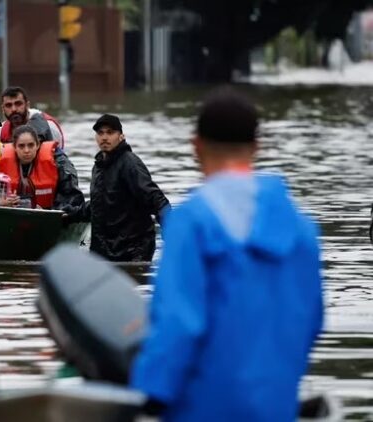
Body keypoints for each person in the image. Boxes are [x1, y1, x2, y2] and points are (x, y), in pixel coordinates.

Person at [131, 88, 324, 421]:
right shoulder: (302, 229)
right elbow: (312, 320)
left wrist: (149, 397)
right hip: (275, 408)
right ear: (256, 148)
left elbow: (178, 323)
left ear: (196, 147)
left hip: (201, 410)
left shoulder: (191, 223)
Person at [73, 114, 170, 262]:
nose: (105, 137)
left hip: (134, 250)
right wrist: (69, 215)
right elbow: (97, 205)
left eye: (110, 132)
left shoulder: (130, 163)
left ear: (121, 136)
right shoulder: (98, 167)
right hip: (106, 250)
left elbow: (154, 198)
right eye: (100, 133)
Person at [0, 124, 84, 212]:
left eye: (31, 145)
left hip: (48, 213)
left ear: (37, 145)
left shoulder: (59, 161)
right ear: (14, 147)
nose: (26, 150)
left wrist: (51, 211)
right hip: (11, 213)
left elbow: (73, 197)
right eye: (21, 146)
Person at [0, 86, 66, 148]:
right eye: (8, 105)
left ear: (27, 105)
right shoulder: (0, 130)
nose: (14, 109)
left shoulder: (49, 126)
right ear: (3, 109)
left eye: (18, 104)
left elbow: (59, 157)